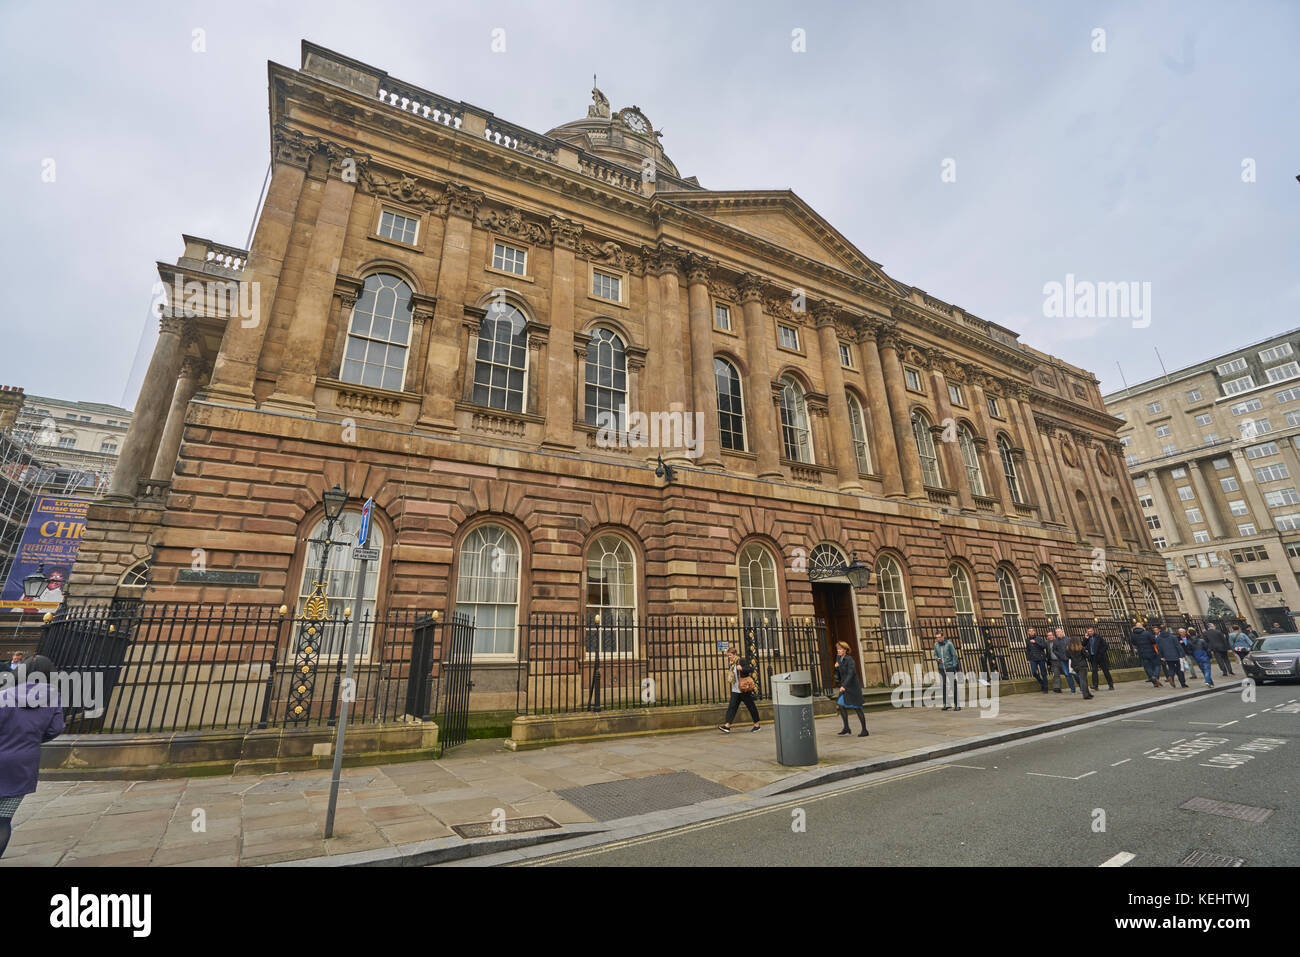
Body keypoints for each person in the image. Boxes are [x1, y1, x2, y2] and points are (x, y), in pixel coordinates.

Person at [0, 655, 64, 858]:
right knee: (3, 820)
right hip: (22, 765)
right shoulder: (53, 699)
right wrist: (32, 739)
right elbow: (55, 729)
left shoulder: (4, 695)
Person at [718, 646, 761, 733]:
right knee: (732, 707)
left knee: (750, 706)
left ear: (734, 654)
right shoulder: (732, 663)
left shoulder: (741, 661)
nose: (729, 657)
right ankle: (727, 726)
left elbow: (751, 669)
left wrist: (742, 668)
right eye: (728, 655)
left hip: (743, 689)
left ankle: (757, 725)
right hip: (735, 689)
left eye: (730, 655)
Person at [833, 641, 869, 736]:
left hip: (852, 687)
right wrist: (836, 668)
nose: (838, 651)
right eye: (837, 649)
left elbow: (851, 674)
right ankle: (846, 728)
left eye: (840, 649)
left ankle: (864, 730)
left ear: (845, 650)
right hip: (844, 686)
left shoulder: (850, 660)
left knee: (857, 708)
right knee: (840, 705)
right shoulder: (838, 658)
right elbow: (839, 673)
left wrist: (844, 686)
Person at [933, 633, 961, 712]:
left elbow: (954, 655)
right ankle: (947, 704)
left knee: (953, 685)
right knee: (943, 685)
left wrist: (953, 665)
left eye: (939, 637)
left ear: (943, 637)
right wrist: (937, 659)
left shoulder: (949, 644)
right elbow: (935, 655)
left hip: (949, 667)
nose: (938, 639)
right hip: (941, 667)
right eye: (936, 638)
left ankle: (957, 705)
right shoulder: (936, 645)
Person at [1154, 624, 1188, 689]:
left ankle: (1170, 676)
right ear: (1166, 629)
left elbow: (1159, 648)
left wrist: (1161, 656)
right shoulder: (1172, 636)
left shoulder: (1158, 638)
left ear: (1160, 629)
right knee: (1180, 669)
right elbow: (1178, 646)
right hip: (1176, 655)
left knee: (1171, 667)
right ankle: (1183, 683)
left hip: (1167, 656)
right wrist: (1182, 654)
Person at [1131, 623, 1162, 688]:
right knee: (1157, 665)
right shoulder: (1147, 633)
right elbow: (1153, 641)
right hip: (1151, 652)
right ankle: (1155, 676)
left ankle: (1154, 682)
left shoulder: (1133, 635)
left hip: (1141, 653)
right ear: (1141, 627)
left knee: (1148, 667)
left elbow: (1133, 643)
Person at [1085, 625, 1114, 691]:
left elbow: (1106, 646)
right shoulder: (1087, 638)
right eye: (1088, 631)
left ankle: (1111, 685)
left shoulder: (1098, 637)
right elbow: (1083, 645)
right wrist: (1085, 638)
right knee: (1094, 671)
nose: (1090, 632)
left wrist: (1100, 653)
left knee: (1105, 671)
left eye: (1091, 631)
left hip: (1101, 657)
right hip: (1093, 657)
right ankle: (1095, 685)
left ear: (1093, 631)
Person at [1066, 631, 1094, 699]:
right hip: (1082, 665)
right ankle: (1085, 695)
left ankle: (1088, 693)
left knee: (1083, 679)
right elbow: (1087, 655)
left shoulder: (1068, 649)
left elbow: (1068, 656)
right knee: (1083, 680)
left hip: (1075, 666)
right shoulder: (1081, 648)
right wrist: (1087, 653)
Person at [1049, 627, 1077, 694]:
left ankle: (1081, 686)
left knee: (1074, 673)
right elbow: (1054, 650)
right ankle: (1072, 689)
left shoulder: (1068, 639)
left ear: (1062, 632)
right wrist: (1059, 655)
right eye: (1056, 632)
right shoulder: (1055, 641)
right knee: (1067, 674)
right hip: (1062, 660)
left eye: (1059, 632)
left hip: (1070, 659)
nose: (1057, 633)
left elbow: (1073, 647)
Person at [1024, 626, 1049, 693]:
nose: (1031, 632)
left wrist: (1035, 642)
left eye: (1032, 631)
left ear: (1034, 631)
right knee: (1034, 672)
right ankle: (1042, 683)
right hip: (1032, 658)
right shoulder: (1027, 640)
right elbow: (1027, 650)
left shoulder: (1039, 638)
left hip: (1040, 657)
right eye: (1030, 631)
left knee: (1043, 673)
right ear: (1028, 632)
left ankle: (1045, 688)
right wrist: (1027, 659)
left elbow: (1044, 646)